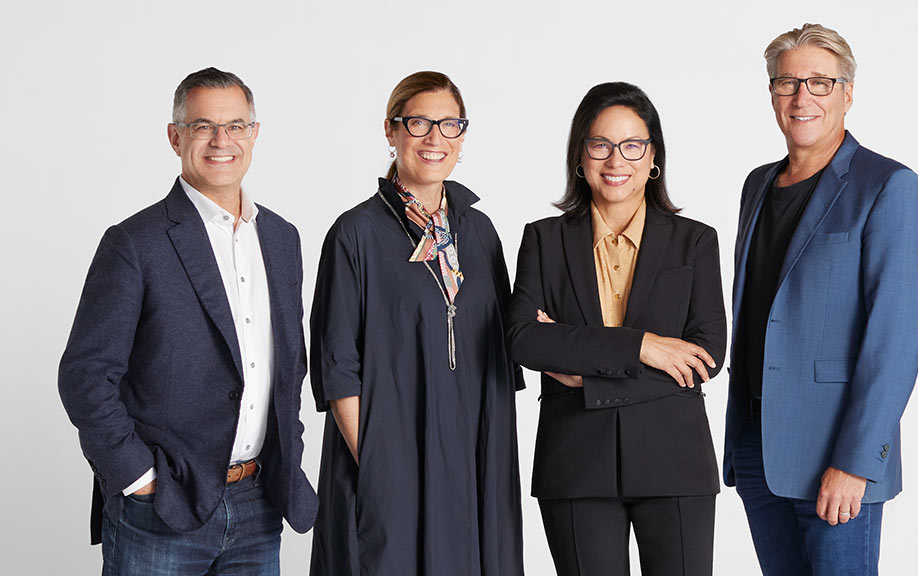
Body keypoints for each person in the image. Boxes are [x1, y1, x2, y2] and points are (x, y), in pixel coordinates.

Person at [57, 67, 318, 574]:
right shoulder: (135, 243)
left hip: (260, 501)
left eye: (236, 126)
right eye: (203, 127)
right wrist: (138, 477)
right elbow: (85, 375)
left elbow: (286, 367)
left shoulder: (282, 239)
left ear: (254, 135)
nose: (222, 141)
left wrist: (290, 453)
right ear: (176, 138)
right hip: (163, 508)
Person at [723, 23, 918, 576]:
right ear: (771, 93)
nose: (802, 98)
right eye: (787, 82)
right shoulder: (757, 185)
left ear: (848, 91)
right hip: (757, 450)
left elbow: (896, 340)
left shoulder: (889, 187)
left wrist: (856, 463)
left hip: (835, 461)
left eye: (820, 82)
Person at [308, 71, 525, 576]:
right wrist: (381, 467)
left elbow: (508, 338)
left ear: (463, 136)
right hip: (390, 453)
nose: (435, 138)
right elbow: (338, 365)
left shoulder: (479, 230)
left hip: (472, 450)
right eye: (419, 123)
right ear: (391, 130)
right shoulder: (354, 234)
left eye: (450, 125)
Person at [506, 82, 727, 576]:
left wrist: (583, 363)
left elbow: (707, 354)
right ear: (580, 157)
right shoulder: (543, 239)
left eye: (632, 146)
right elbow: (523, 337)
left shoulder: (695, 242)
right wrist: (644, 347)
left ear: (653, 158)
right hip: (577, 464)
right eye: (600, 145)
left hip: (675, 463)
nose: (615, 161)